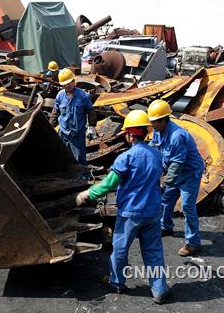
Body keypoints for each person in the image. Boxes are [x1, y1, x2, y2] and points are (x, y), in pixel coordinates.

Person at [76, 110, 170, 305]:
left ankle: (117, 282)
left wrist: (87, 194)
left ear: (128, 134)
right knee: (153, 251)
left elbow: (109, 184)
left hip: (131, 213)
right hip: (153, 212)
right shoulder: (156, 154)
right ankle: (159, 289)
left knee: (120, 249)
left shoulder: (126, 158)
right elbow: (160, 176)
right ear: (145, 133)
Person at [148, 99, 205, 257]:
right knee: (166, 199)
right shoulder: (158, 132)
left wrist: (162, 182)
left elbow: (176, 165)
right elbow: (154, 150)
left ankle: (193, 243)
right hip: (177, 170)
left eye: (155, 122)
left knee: (187, 206)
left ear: (164, 119)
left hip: (189, 173)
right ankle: (165, 227)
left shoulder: (177, 136)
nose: (152, 125)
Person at [49, 68, 97, 166]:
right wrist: (51, 126)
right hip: (63, 133)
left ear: (74, 81)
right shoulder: (60, 96)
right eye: (64, 84)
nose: (67, 85)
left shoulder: (83, 96)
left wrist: (91, 126)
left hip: (77, 134)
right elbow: (55, 111)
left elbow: (90, 111)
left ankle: (83, 178)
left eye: (69, 82)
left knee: (79, 158)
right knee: (62, 156)